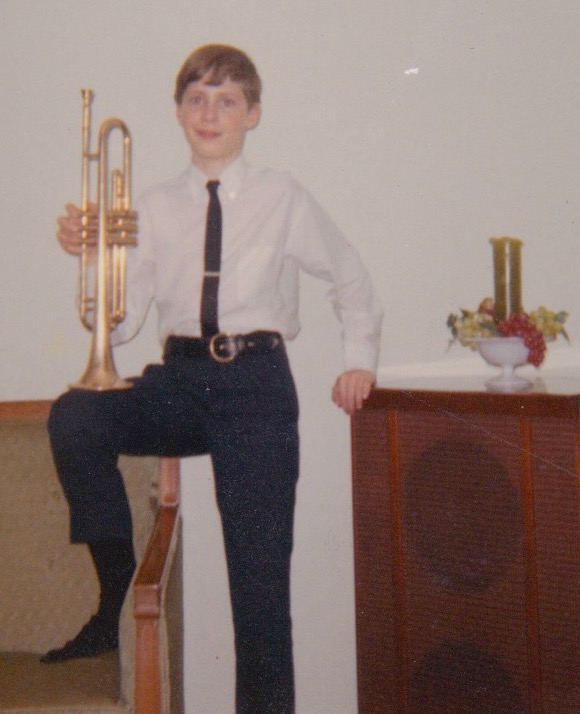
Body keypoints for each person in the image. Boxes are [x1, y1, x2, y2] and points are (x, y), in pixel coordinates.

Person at [42, 44, 383, 714]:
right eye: (196, 98)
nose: (209, 113)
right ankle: (116, 598)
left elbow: (351, 277)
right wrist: (95, 254)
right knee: (75, 416)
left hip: (256, 386)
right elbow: (122, 321)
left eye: (227, 100)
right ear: (178, 111)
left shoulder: (282, 194)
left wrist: (358, 359)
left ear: (252, 114)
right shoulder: (153, 205)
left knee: (259, 593)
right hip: (180, 379)